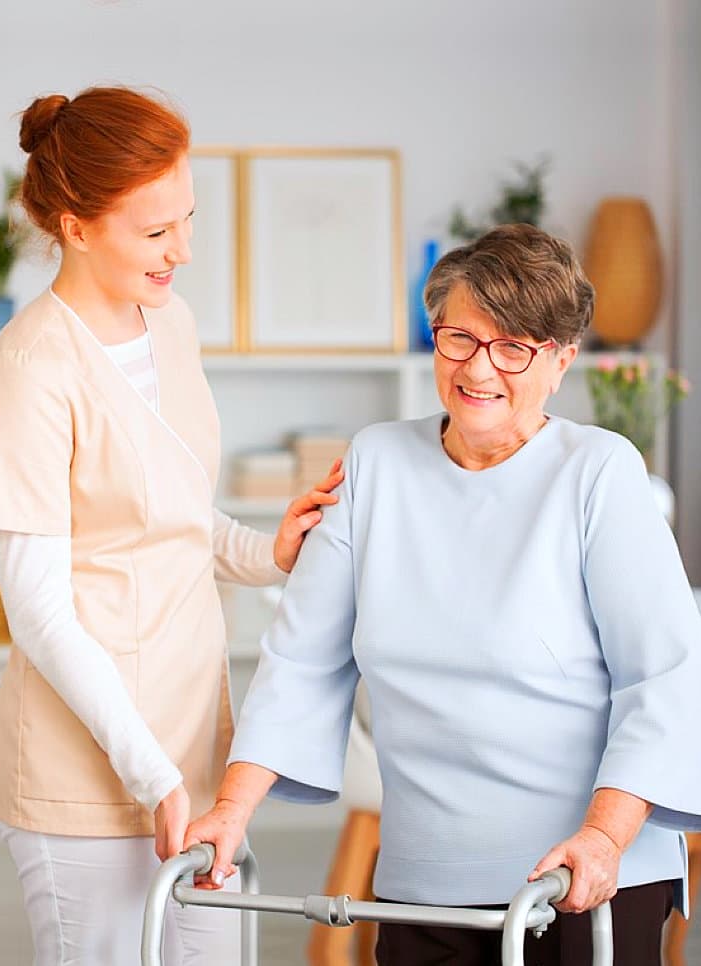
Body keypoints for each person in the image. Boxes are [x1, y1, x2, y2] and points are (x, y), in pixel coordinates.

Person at [185, 223, 701, 966]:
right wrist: (231, 812)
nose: (479, 367)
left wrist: (603, 837)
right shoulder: (374, 463)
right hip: (423, 876)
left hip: (587, 876)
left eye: (513, 346)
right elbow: (300, 659)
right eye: (459, 337)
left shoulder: (598, 472)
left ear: (559, 361)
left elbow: (664, 676)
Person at [0, 85, 343, 965]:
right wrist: (152, 775)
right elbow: (38, 613)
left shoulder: (168, 324)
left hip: (197, 749)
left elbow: (170, 509)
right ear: (74, 224)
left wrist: (267, 552)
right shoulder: (28, 367)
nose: (182, 250)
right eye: (154, 231)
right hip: (89, 776)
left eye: (186, 218)